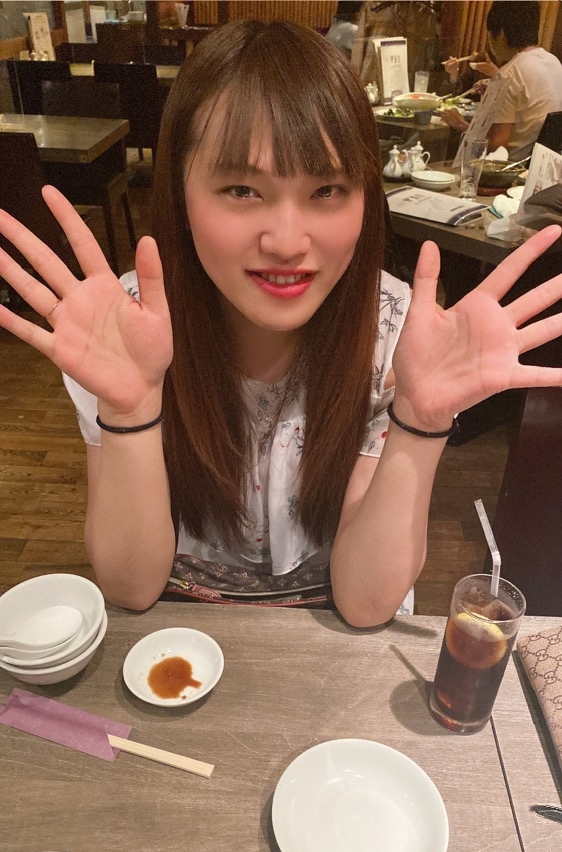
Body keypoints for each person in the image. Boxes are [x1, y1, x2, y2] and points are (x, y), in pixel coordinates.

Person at [0, 20, 561, 627]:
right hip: (181, 634)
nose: (288, 242)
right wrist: (130, 408)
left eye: (327, 190)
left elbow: (366, 603)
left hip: (331, 636)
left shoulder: (393, 333)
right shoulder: (122, 329)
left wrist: (421, 423)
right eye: (242, 189)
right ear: (181, 195)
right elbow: (132, 588)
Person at [439, 2, 562, 155]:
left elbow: (497, 147)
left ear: (501, 35)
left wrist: (462, 126)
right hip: (545, 164)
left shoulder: (507, 75)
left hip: (512, 165)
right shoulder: (554, 63)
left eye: (490, 35)